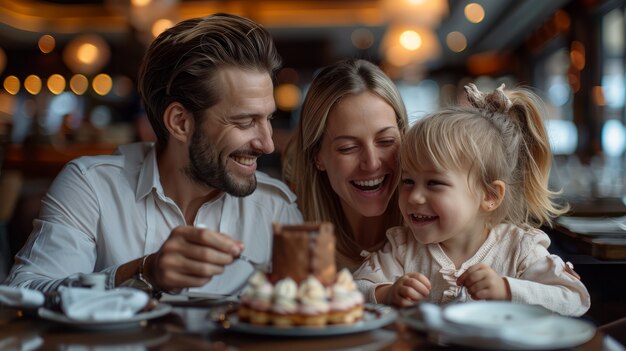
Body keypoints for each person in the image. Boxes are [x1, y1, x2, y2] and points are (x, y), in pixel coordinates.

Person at [4, 13, 302, 297]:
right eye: (245, 121)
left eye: (268, 119)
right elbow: (23, 295)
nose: (267, 145)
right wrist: (142, 273)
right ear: (180, 122)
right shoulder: (93, 186)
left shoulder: (275, 207)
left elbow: (313, 313)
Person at [353, 83, 590, 317]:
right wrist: (387, 293)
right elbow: (353, 291)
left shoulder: (519, 249)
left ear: (490, 196)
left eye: (434, 183)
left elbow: (575, 299)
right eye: (407, 181)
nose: (414, 197)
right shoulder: (402, 249)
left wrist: (507, 289)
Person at [283, 59, 408, 272]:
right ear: (317, 155)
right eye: (348, 148)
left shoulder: (438, 231)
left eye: (386, 141)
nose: (371, 163)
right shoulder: (291, 234)